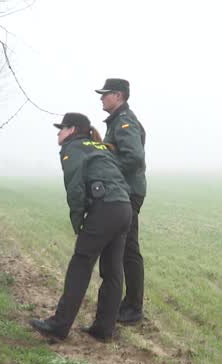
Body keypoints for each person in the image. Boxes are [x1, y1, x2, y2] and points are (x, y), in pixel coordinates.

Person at [30, 113, 132, 343]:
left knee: (81, 264)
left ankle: (58, 325)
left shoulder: (73, 148)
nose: (59, 132)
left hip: (104, 209)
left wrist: (78, 223)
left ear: (73, 130)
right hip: (123, 208)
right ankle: (103, 329)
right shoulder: (100, 146)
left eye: (62, 128)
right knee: (113, 270)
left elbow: (75, 187)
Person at [95, 78, 147, 324]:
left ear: (119, 95)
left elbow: (134, 158)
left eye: (106, 94)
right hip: (126, 190)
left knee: (129, 249)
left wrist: (111, 170)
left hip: (129, 191)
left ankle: (134, 308)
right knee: (126, 248)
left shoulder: (124, 121)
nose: (101, 97)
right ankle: (128, 304)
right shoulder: (118, 120)